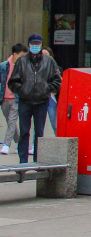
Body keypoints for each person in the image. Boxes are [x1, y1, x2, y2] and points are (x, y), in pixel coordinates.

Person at [7, 34, 61, 164]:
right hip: (25, 101)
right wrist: (22, 89)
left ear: (41, 45)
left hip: (42, 101)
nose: (35, 46)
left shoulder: (49, 62)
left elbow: (57, 80)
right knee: (24, 132)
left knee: (39, 133)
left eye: (38, 44)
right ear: (29, 45)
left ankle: (38, 160)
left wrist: (47, 89)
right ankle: (23, 161)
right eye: (33, 44)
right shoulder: (22, 61)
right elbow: (13, 82)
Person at [0, 43, 23, 155]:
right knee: (10, 123)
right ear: (14, 54)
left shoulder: (23, 67)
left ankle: (6, 145)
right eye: (21, 56)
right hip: (4, 99)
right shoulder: (3, 66)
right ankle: (20, 143)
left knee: (12, 122)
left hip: (16, 99)